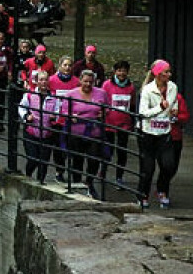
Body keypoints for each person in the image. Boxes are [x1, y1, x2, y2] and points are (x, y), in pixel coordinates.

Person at [137, 59, 179, 209]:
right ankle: (143, 195)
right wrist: (159, 107)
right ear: (158, 74)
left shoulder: (173, 87)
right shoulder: (148, 90)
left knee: (168, 165)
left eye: (169, 71)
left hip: (164, 132)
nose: (169, 74)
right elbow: (143, 113)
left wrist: (174, 110)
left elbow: (174, 103)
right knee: (148, 168)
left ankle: (162, 191)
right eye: (166, 72)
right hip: (147, 133)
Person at [61, 70, 108, 199]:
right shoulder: (71, 94)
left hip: (94, 132)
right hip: (76, 132)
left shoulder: (101, 93)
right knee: (77, 160)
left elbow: (107, 107)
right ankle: (76, 184)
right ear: (80, 81)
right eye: (85, 81)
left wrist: (103, 113)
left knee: (94, 159)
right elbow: (63, 111)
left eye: (90, 82)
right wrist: (70, 116)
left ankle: (89, 182)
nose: (88, 84)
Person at [18, 71, 60, 184]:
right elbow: (21, 107)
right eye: (41, 80)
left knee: (44, 161)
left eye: (46, 80)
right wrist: (27, 116)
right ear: (36, 82)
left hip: (47, 133)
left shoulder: (54, 97)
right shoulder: (29, 95)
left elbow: (58, 111)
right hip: (31, 132)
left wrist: (54, 117)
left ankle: (40, 182)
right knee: (33, 158)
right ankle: (28, 176)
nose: (43, 82)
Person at [101, 60, 136, 186]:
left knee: (122, 151)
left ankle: (119, 177)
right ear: (115, 71)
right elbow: (102, 101)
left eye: (124, 71)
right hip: (109, 123)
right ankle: (103, 173)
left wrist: (132, 123)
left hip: (124, 124)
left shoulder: (131, 87)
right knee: (107, 151)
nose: (122, 73)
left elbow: (132, 105)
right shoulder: (106, 85)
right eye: (119, 70)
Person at [48, 56, 77, 182]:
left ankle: (74, 172)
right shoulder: (51, 80)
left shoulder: (76, 82)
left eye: (70, 65)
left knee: (71, 146)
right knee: (58, 147)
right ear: (59, 66)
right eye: (65, 65)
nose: (67, 68)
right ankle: (59, 171)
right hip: (57, 120)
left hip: (71, 120)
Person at [170, 90, 190, 203]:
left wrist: (176, 116)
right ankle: (162, 190)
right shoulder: (150, 94)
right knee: (165, 164)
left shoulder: (178, 97)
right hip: (158, 136)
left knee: (173, 166)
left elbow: (185, 116)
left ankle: (163, 185)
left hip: (175, 136)